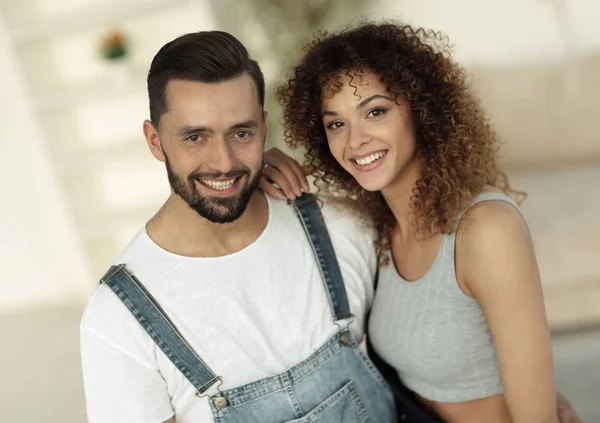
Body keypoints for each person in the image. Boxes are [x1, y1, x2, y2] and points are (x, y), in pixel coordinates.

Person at [269, 20, 578, 423]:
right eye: (336, 124)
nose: (355, 140)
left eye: (375, 111)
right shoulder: (380, 228)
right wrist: (262, 165)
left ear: (421, 111)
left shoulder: (485, 230)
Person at [79, 31, 396, 422]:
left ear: (264, 128)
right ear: (155, 140)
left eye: (241, 133)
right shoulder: (119, 317)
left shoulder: (338, 223)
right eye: (196, 137)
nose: (225, 162)